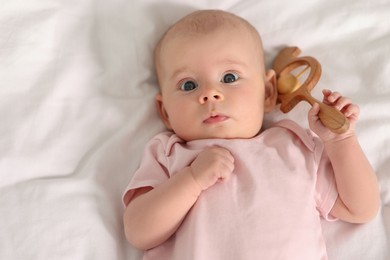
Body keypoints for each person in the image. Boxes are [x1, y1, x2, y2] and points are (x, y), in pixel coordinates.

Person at [122, 9, 380, 260]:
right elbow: (139, 232)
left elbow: (361, 208)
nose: (210, 93)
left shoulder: (294, 146)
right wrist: (191, 179)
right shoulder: (168, 153)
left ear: (268, 93)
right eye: (188, 85)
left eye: (230, 77)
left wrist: (341, 141)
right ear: (165, 111)